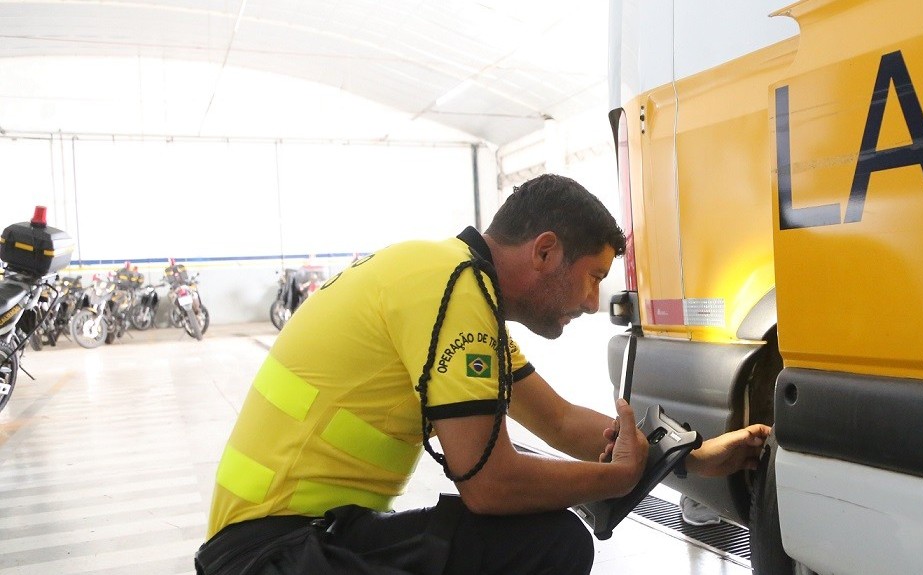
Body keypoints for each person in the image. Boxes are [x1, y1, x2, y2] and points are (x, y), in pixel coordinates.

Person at [195, 174, 772, 574]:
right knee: (548, 545)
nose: (594, 302)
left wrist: (692, 458)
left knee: (538, 539)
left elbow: (562, 420)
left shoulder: (448, 281)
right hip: (274, 556)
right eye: (592, 276)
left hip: (299, 542)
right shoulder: (452, 289)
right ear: (544, 252)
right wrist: (609, 482)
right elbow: (490, 486)